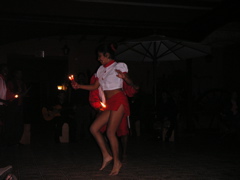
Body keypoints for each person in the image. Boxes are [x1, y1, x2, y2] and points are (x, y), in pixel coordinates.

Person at [71, 43, 138, 176]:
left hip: (119, 99)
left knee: (110, 132)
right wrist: (79, 86)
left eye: (100, 56)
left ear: (107, 55)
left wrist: (125, 78)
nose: (98, 58)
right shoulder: (101, 70)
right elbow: (95, 86)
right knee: (94, 128)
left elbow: (131, 83)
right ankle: (107, 156)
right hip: (109, 102)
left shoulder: (119, 66)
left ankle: (117, 162)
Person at [89, 73, 138, 162]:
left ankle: (122, 155)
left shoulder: (117, 73)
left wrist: (133, 87)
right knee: (96, 129)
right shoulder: (97, 75)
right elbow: (93, 93)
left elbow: (129, 90)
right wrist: (98, 107)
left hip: (118, 105)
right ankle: (108, 154)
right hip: (105, 107)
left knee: (122, 131)